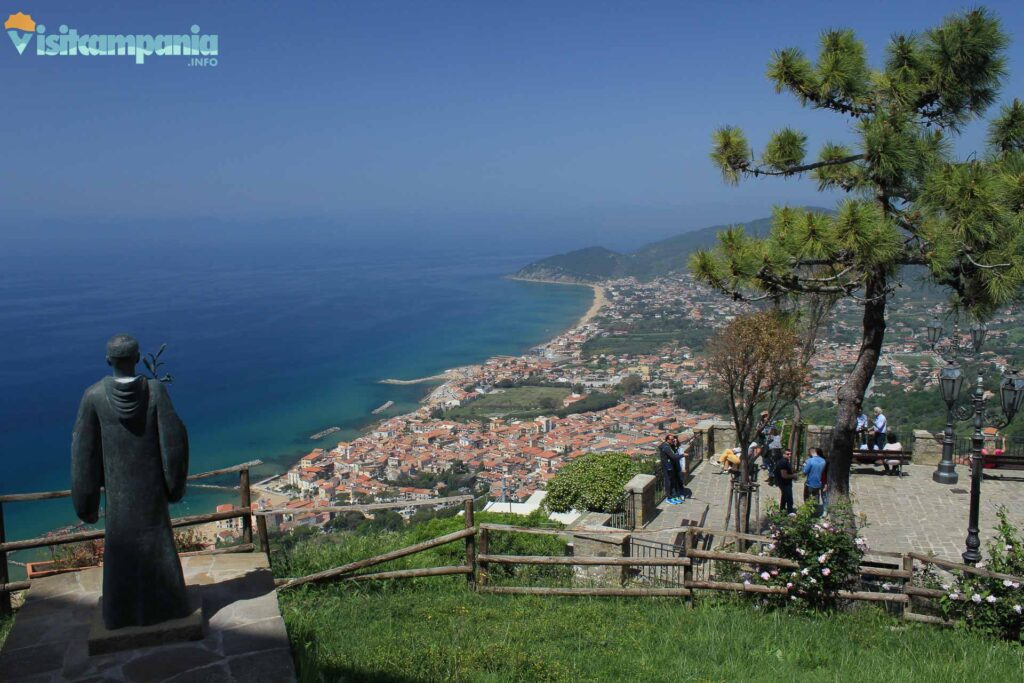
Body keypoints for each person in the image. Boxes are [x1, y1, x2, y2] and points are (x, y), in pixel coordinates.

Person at [659, 433, 685, 504]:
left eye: (673, 439)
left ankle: (673, 496)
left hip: (670, 466)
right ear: (667, 440)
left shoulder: (669, 445)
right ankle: (669, 497)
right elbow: (674, 457)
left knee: (672, 482)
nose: (673, 441)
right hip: (667, 467)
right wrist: (683, 455)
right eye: (672, 440)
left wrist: (675, 445)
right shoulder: (666, 447)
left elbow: (674, 451)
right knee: (668, 482)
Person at [802, 447, 827, 515]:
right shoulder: (823, 461)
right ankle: (815, 512)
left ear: (811, 453)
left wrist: (803, 466)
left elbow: (804, 472)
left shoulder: (810, 460)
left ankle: (807, 512)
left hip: (810, 483)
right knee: (816, 497)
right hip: (819, 483)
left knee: (807, 498)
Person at [775, 448, 796, 513]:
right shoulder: (783, 462)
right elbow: (784, 475)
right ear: (783, 454)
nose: (789, 455)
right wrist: (794, 476)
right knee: (789, 499)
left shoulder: (785, 461)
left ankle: (782, 511)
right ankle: (790, 512)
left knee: (784, 497)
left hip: (785, 483)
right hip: (784, 483)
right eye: (787, 454)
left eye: (790, 454)